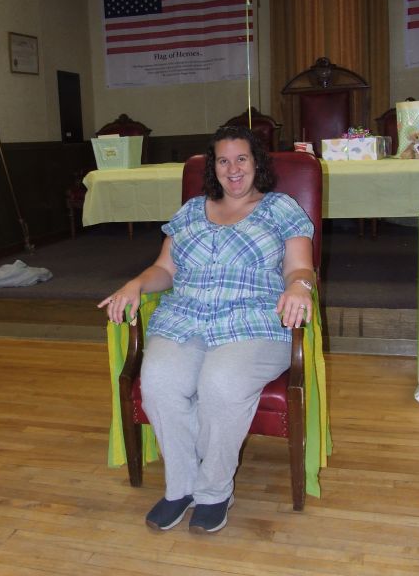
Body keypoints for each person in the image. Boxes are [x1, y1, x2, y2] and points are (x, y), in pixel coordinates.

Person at [98, 126, 314, 534]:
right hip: (185, 317)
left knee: (221, 383)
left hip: (253, 319)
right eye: (223, 161)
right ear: (213, 168)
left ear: (256, 163)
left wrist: (299, 287)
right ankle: (181, 487)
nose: (233, 169)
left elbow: (299, 267)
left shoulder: (280, 208)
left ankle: (214, 491)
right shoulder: (191, 211)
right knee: (159, 382)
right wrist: (136, 284)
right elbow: (165, 269)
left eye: (242, 159)